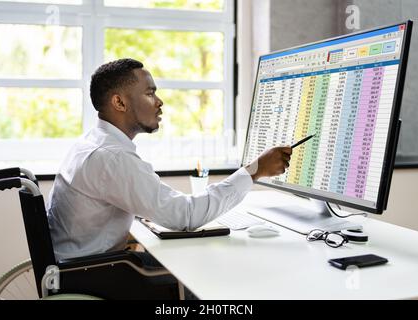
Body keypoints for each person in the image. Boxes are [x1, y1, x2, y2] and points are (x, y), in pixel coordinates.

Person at [47, 58, 292, 280]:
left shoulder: (93, 142)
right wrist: (255, 170)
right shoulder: (112, 156)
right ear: (119, 102)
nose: (159, 101)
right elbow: (186, 217)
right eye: (150, 93)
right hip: (94, 276)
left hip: (76, 267)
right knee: (205, 273)